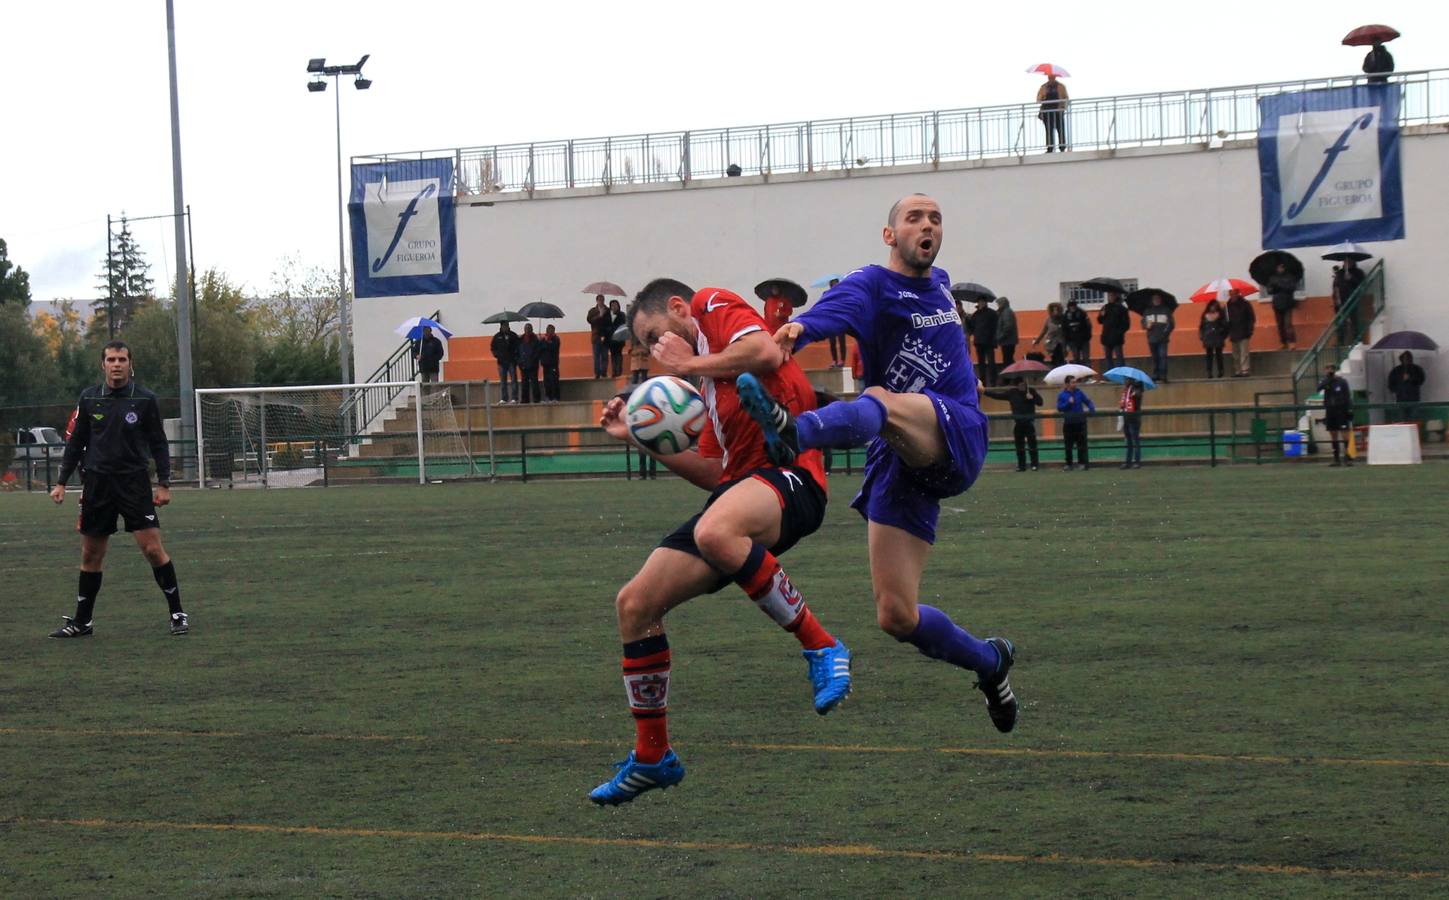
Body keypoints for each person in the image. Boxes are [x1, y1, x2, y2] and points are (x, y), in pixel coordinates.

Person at [735, 193, 1019, 738]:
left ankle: (795, 433)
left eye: (935, 217)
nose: (927, 224)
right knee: (896, 616)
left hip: (955, 430)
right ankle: (991, 664)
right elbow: (840, 306)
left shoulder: (941, 283)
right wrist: (802, 329)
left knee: (884, 399)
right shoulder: (872, 282)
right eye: (914, 217)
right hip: (899, 457)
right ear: (890, 236)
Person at [589, 278, 852, 806]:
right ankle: (652, 756)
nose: (653, 352)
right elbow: (715, 474)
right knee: (635, 605)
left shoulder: (712, 305)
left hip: (793, 475)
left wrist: (683, 364)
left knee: (716, 529)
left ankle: (823, 646)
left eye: (654, 335)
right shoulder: (708, 391)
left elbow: (762, 350)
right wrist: (639, 437)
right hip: (744, 495)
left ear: (681, 309)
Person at [48, 341, 188, 638]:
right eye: (111, 359)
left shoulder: (145, 399)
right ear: (103, 365)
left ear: (130, 363)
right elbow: (76, 443)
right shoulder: (89, 398)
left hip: (134, 483)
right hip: (97, 484)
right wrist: (61, 481)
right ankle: (82, 622)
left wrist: (164, 483)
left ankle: (177, 613)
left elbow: (159, 443)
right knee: (91, 555)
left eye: (121, 359)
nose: (116, 364)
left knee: (152, 549)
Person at [985, 377, 1043, 471]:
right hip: (1018, 423)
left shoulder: (1031, 391)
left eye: (1024, 384)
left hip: (1029, 423)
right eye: (1020, 385)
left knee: (1032, 445)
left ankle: (1034, 464)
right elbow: (997, 396)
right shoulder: (1012, 393)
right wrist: (984, 392)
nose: (1023, 386)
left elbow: (1040, 402)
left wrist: (1033, 398)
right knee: (1019, 446)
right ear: (1017, 386)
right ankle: (1021, 465)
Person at [1056, 374, 1094, 470]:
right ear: (1067, 384)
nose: (1075, 384)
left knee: (1081, 444)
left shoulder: (1079, 392)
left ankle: (1082, 463)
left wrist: (1091, 408)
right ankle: (1069, 463)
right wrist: (1068, 403)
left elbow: (1087, 401)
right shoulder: (1062, 395)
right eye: (1072, 382)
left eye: (1075, 382)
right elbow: (1059, 408)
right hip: (1069, 423)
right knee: (1068, 445)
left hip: (1080, 422)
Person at [1319, 364, 1354, 466]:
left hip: (1341, 410)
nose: (1329, 371)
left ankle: (1348, 457)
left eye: (1331, 369)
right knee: (1333, 434)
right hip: (1330, 411)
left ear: (1335, 370)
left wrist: (1349, 410)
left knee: (1344, 434)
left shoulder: (1342, 382)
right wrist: (1327, 380)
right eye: (1327, 369)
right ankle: (1336, 458)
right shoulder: (1325, 382)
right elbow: (1319, 388)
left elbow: (1347, 396)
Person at [1142, 294, 1175, 383]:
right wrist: (1146, 326)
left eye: (1158, 298)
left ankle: (1163, 375)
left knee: (1162, 356)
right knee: (1155, 357)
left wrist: (1165, 333)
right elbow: (1143, 323)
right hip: (1152, 338)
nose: (1156, 300)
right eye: (1154, 299)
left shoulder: (1166, 310)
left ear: (1160, 300)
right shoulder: (1147, 311)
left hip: (1163, 339)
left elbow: (1171, 324)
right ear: (1152, 300)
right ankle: (1155, 375)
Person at [1387, 351, 1426, 424]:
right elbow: (1391, 384)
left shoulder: (1416, 369)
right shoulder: (1396, 370)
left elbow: (1421, 380)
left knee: (1414, 420)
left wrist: (1410, 378)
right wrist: (1397, 390)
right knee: (1402, 421)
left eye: (1408, 358)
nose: (1407, 360)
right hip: (1401, 400)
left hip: (1414, 399)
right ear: (1401, 359)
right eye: (1405, 358)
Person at [1266, 263, 1298, 350]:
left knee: (1288, 324)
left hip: (1287, 303)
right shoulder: (1273, 278)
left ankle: (1292, 342)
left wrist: (1280, 285)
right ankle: (1284, 343)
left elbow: (1293, 287)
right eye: (1279, 267)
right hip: (1277, 304)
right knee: (1280, 325)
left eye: (1282, 267)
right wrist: (1273, 288)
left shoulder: (1289, 277)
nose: (1280, 269)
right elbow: (1269, 290)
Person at [1225, 289, 1256, 377]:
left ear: (1238, 294)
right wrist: (1227, 325)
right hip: (1233, 332)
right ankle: (1237, 370)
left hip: (1244, 331)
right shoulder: (1227, 306)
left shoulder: (1245, 304)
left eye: (1234, 294)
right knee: (1235, 354)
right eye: (1230, 294)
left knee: (1244, 352)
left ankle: (1245, 370)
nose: (1232, 296)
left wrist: (1250, 329)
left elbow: (1251, 317)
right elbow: (1225, 320)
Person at [969, 297, 998, 386]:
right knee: (981, 363)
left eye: (982, 302)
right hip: (979, 342)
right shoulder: (975, 314)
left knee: (991, 362)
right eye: (979, 302)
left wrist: (994, 339)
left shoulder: (992, 313)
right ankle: (983, 382)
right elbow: (971, 327)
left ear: (985, 303)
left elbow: (996, 327)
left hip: (989, 342)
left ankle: (993, 382)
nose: (981, 303)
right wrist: (968, 320)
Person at [1097, 292, 1130, 370]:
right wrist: (1101, 315)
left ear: (1116, 296)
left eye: (1112, 295)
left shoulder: (1121, 308)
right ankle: (1110, 374)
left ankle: (1122, 373)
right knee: (1108, 356)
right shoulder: (1105, 307)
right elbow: (1099, 321)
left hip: (1117, 337)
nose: (1110, 297)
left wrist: (1119, 332)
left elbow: (1126, 324)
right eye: (1109, 296)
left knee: (1119, 356)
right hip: (1106, 336)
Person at [1037, 74, 1069, 152]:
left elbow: (1066, 98)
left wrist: (1063, 107)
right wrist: (1043, 96)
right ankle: (1050, 147)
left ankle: (1062, 146)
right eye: (1050, 77)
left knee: (1060, 128)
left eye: (1052, 77)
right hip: (1047, 111)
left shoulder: (1061, 86)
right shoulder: (1043, 87)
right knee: (1048, 130)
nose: (1051, 79)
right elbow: (1038, 99)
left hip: (1058, 111)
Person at [1198, 298, 1228, 379]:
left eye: (1214, 306)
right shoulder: (1205, 316)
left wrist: (1222, 333)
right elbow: (1201, 327)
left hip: (1218, 337)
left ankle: (1220, 371)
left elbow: (1225, 327)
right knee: (1209, 356)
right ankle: (1209, 372)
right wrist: (1202, 336)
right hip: (1208, 338)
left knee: (1219, 355)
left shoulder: (1221, 315)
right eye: (1211, 306)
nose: (1213, 308)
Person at [1118, 377, 1144, 469]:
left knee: (1135, 440)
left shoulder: (1136, 389)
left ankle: (1136, 461)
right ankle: (1128, 461)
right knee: (1128, 441)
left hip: (1134, 417)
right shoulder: (1126, 390)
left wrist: (1135, 394)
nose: (1125, 381)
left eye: (1127, 380)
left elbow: (1138, 394)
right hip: (1126, 416)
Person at [490, 322, 520, 403]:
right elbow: (493, 348)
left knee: (514, 380)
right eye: (504, 326)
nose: (505, 327)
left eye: (506, 326)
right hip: (501, 362)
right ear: (501, 327)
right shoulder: (497, 337)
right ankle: (504, 398)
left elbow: (518, 346)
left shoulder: (513, 335)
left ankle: (514, 397)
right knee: (503, 381)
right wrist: (497, 355)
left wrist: (516, 357)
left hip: (511, 361)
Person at [824, 278, 848, 367]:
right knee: (832, 341)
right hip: (830, 320)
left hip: (840, 320)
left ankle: (842, 360)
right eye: (833, 285)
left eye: (837, 285)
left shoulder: (842, 294)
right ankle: (834, 360)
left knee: (842, 341)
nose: (835, 286)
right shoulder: (826, 294)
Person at [517, 323, 542, 404]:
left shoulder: (536, 339)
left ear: (532, 329)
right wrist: (519, 362)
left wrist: (533, 360)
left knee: (534, 382)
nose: (527, 330)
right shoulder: (520, 339)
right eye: (526, 328)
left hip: (533, 365)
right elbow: (518, 352)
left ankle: (536, 399)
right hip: (523, 364)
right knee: (524, 383)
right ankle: (525, 400)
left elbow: (538, 352)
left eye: (529, 328)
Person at [586, 295, 611, 378]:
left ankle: (604, 372)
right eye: (599, 300)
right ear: (597, 301)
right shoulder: (592, 311)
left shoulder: (607, 310)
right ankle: (597, 373)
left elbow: (609, 322)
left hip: (605, 336)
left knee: (605, 356)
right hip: (596, 336)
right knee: (596, 356)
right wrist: (599, 316)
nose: (601, 302)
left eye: (602, 300)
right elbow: (590, 320)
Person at [1062, 299, 1092, 366]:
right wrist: (1067, 340)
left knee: (1086, 358)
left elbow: (1088, 325)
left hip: (1084, 339)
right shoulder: (1066, 315)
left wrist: (1088, 336)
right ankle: (1078, 375)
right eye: (1071, 306)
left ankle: (1088, 375)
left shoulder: (1082, 313)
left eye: (1073, 305)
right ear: (1068, 306)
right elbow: (1064, 329)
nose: (1072, 307)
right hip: (1072, 341)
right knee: (1076, 359)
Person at [540, 324, 562, 403]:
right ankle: (548, 396)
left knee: (554, 381)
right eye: (548, 330)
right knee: (547, 381)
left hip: (553, 363)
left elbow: (553, 348)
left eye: (551, 330)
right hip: (545, 364)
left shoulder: (556, 339)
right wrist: (541, 341)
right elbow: (540, 348)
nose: (549, 332)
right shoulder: (543, 340)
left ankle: (556, 397)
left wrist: (546, 342)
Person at [606, 299, 628, 378]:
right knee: (613, 355)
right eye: (612, 306)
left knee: (618, 355)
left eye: (615, 305)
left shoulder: (622, 315)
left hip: (619, 338)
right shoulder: (608, 315)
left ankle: (618, 371)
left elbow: (623, 325)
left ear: (618, 306)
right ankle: (614, 371)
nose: (614, 307)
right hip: (611, 339)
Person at [995, 297, 1018, 370]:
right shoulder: (1004, 312)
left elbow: (1008, 327)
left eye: (999, 304)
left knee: (1008, 360)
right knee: (1009, 359)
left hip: (1008, 341)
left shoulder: (1006, 312)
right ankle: (1015, 378)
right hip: (1008, 341)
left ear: (1003, 304)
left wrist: (999, 337)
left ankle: (1013, 378)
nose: (998, 305)